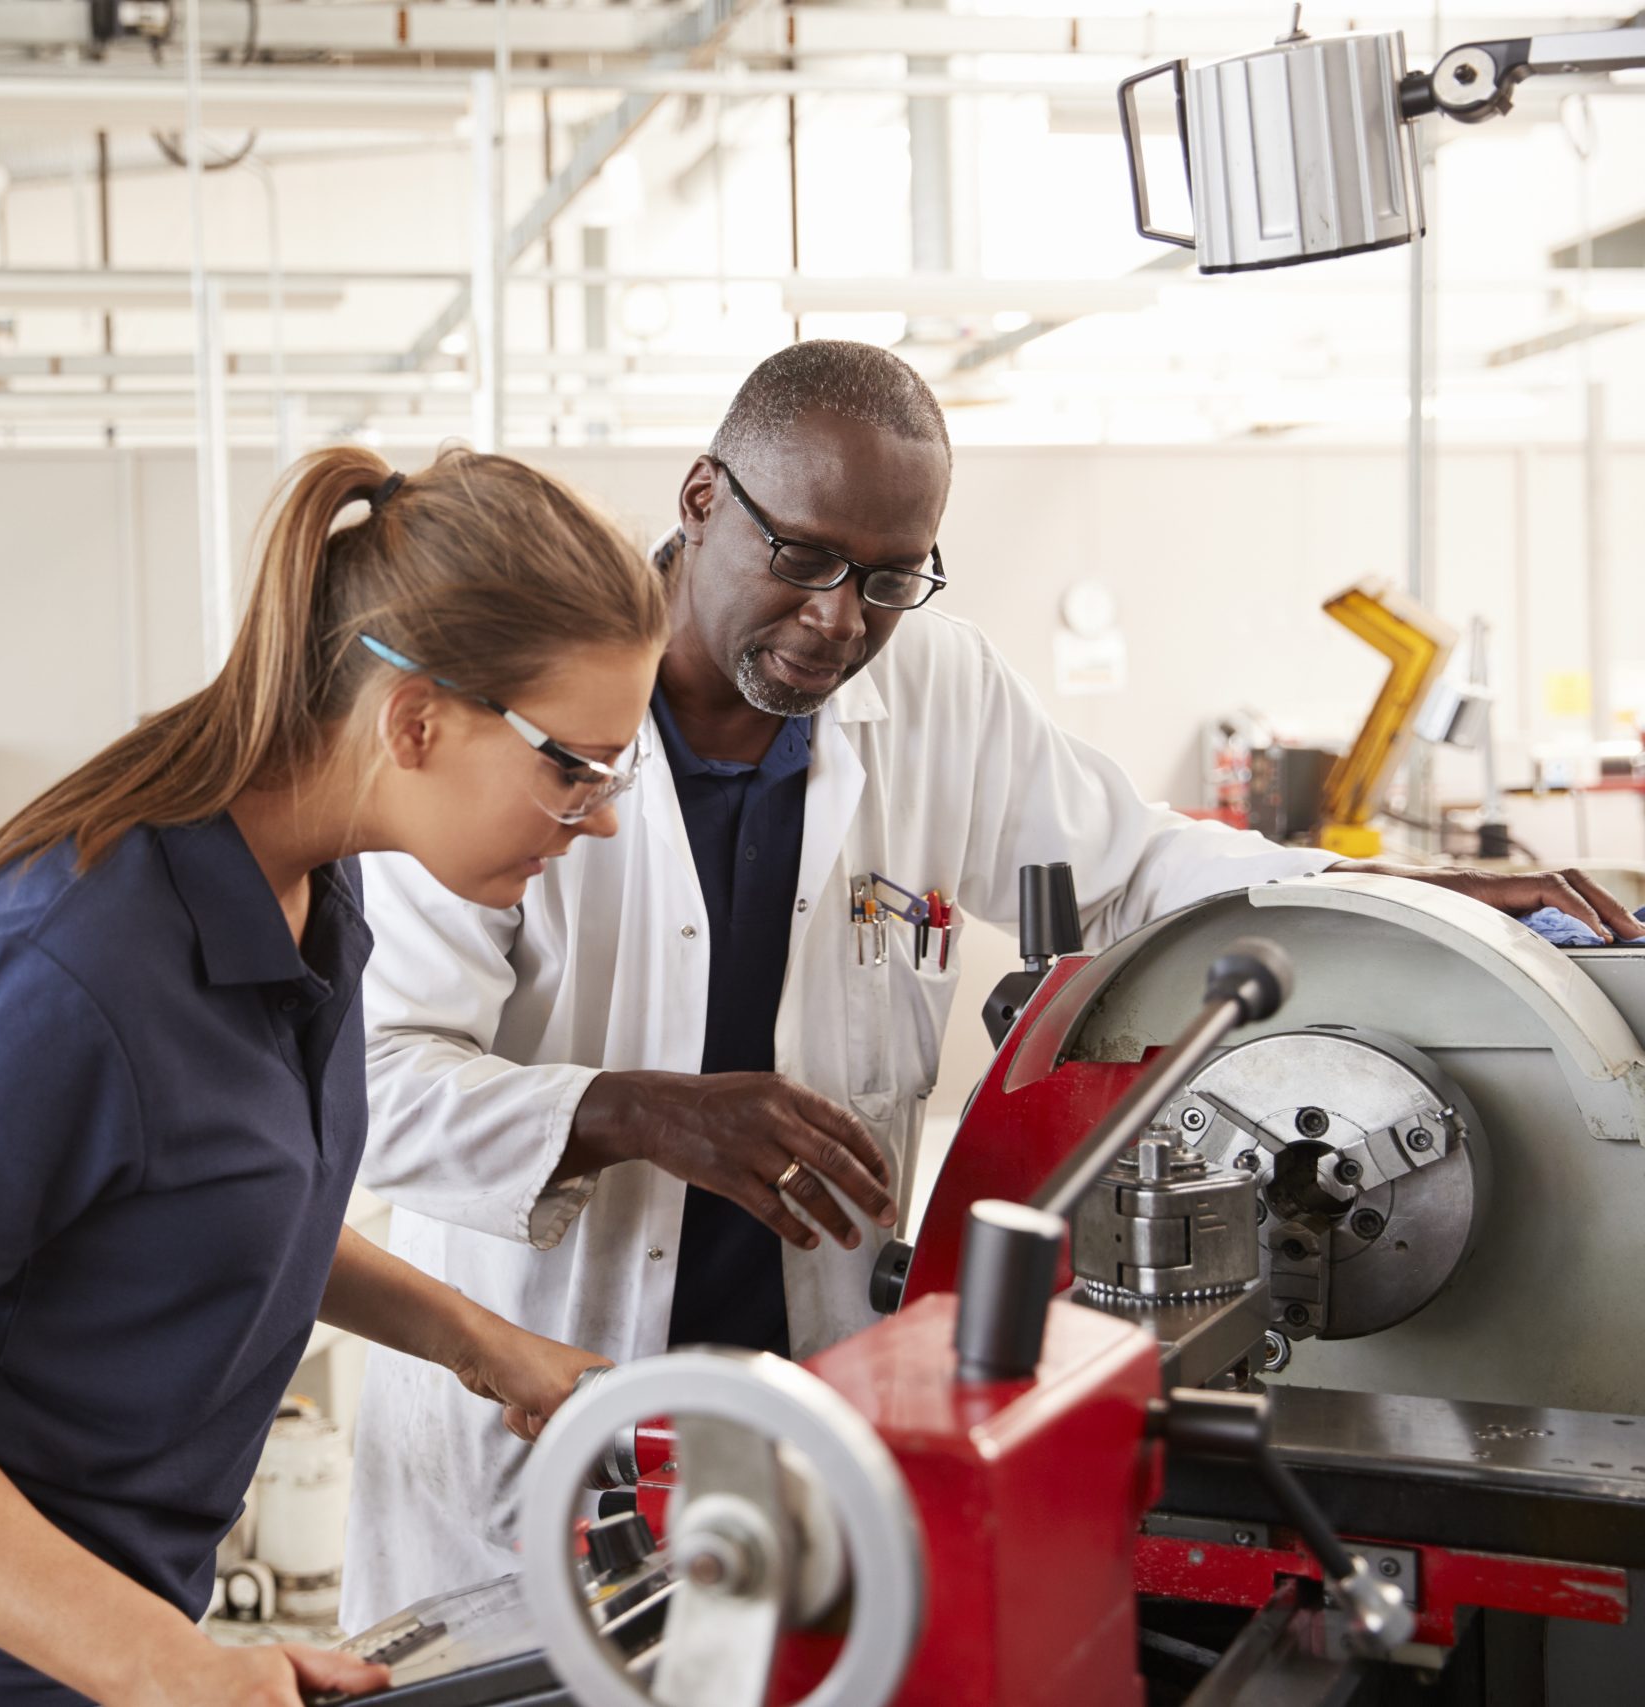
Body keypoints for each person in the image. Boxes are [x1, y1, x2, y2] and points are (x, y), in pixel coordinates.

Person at [340, 340, 1645, 1626]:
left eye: (892, 576)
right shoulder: (518, 723)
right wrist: (634, 1109)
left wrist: (1414, 896)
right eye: (801, 556)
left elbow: (1142, 869)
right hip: (529, 1431)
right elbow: (372, 1084)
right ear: (701, 498)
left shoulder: (937, 688)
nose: (841, 617)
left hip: (810, 1416)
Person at [0, 444, 671, 1707]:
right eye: (576, 766)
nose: (602, 815)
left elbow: (222, 1200)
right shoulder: (59, 971)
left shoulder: (311, 896)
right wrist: (159, 1663)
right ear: (415, 721)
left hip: (100, 1630)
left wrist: (484, 1345)